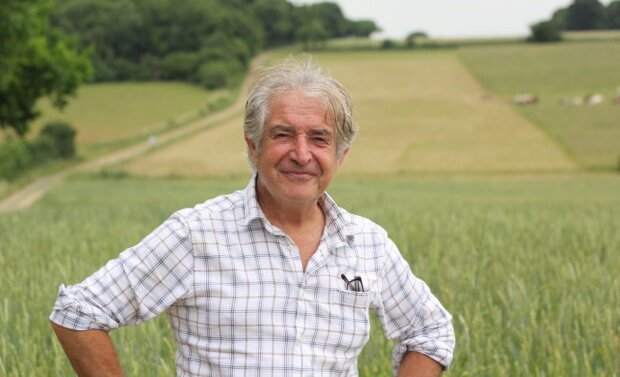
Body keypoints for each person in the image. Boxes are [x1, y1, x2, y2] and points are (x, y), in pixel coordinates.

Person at [50, 59, 455, 376]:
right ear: (253, 146)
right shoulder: (196, 234)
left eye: (319, 138)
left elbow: (431, 332)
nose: (301, 153)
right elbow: (78, 312)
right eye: (282, 135)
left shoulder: (368, 244)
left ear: (341, 154)